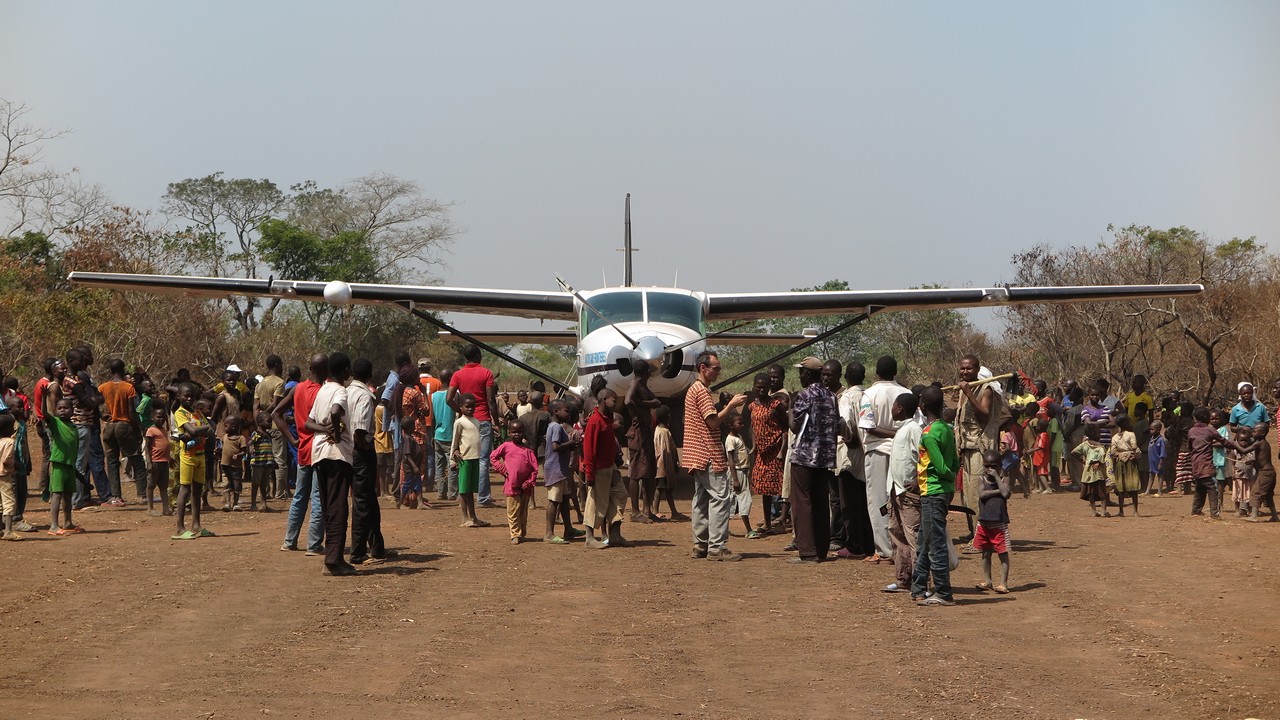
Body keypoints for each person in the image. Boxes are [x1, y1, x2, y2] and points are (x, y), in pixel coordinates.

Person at [683, 352, 747, 562]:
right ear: (703, 367)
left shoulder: (695, 390)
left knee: (701, 499)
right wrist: (731, 406)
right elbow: (712, 422)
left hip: (696, 453)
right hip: (707, 453)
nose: (718, 372)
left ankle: (700, 544)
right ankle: (717, 547)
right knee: (720, 498)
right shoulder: (701, 392)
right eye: (715, 368)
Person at [307, 352, 355, 576]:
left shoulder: (323, 390)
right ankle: (333, 560)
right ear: (345, 371)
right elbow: (336, 411)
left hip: (319, 453)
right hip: (336, 454)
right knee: (338, 507)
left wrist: (324, 429)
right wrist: (335, 431)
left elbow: (309, 422)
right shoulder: (340, 391)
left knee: (328, 506)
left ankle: (334, 557)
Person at [788, 356, 838, 565]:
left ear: (808, 374)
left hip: (804, 457)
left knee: (802, 503)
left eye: (801, 372)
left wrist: (789, 409)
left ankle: (807, 552)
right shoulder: (831, 396)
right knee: (820, 503)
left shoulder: (805, 395)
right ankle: (821, 549)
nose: (800, 376)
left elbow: (794, 426)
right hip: (825, 458)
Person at [274, 354, 326, 555]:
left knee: (300, 496)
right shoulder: (323, 391)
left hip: (302, 448)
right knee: (318, 497)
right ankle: (313, 544)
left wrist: (291, 439)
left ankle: (289, 541)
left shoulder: (297, 388)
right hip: (319, 448)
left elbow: (276, 413)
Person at [911, 386, 958, 606]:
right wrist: (951, 478)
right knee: (924, 539)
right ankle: (918, 588)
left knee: (935, 543)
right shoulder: (947, 429)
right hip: (943, 491)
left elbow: (940, 466)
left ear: (922, 406)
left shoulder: (929, 434)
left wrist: (946, 475)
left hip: (933, 490)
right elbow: (955, 461)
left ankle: (943, 592)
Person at [954, 355, 1003, 541]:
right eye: (962, 368)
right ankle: (973, 531)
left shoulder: (986, 388)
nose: (965, 371)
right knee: (966, 494)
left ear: (977, 369)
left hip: (979, 449)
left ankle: (980, 536)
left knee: (976, 492)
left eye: (969, 368)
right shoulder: (963, 389)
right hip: (965, 447)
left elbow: (984, 415)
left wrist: (969, 394)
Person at [447, 345, 500, 508]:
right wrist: (496, 422)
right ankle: (483, 498)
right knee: (483, 459)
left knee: (463, 457)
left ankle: (462, 493)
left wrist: (462, 412)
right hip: (483, 419)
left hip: (465, 422)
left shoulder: (457, 374)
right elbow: (491, 400)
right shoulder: (486, 373)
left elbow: (449, 399)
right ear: (478, 355)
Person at [883, 391, 921, 593]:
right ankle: (903, 578)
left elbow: (924, 455)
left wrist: (917, 480)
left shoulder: (914, 429)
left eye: (893, 405)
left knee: (913, 536)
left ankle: (920, 581)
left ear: (899, 408)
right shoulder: (902, 429)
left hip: (908, 493)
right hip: (895, 491)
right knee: (897, 535)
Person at [581, 388, 624, 549]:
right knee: (594, 501)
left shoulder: (608, 417)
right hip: (598, 468)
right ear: (604, 400)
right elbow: (589, 451)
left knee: (620, 495)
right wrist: (590, 474)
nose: (616, 403)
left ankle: (615, 534)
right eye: (614, 400)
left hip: (610, 466)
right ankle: (589, 537)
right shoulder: (595, 421)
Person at [99, 358, 143, 505]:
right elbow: (131, 411)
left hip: (110, 426)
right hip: (124, 425)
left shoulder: (103, 387)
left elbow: (95, 404)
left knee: (112, 462)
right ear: (123, 369)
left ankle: (116, 495)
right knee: (136, 459)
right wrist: (137, 429)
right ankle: (143, 494)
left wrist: (103, 416)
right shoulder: (128, 387)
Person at [171, 383, 213, 540]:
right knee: (185, 490)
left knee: (197, 490)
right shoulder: (180, 412)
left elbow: (210, 429)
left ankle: (196, 525)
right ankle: (179, 528)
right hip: (188, 455)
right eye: (185, 396)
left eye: (191, 396)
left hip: (200, 454)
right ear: (179, 397)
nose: (189, 399)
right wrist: (197, 431)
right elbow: (199, 429)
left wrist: (194, 433)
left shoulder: (196, 412)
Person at [746, 373, 786, 536]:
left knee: (781, 486)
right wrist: (754, 445)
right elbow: (752, 427)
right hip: (761, 454)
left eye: (764, 387)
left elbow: (785, 428)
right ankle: (768, 523)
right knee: (764, 488)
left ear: (769, 387)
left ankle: (783, 520)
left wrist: (782, 451)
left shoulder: (776, 405)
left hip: (776, 451)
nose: (761, 389)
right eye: (758, 386)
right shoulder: (752, 406)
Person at [624, 360, 661, 524]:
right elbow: (627, 401)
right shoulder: (635, 384)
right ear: (647, 373)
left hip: (646, 433)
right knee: (636, 473)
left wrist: (641, 404)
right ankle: (635, 512)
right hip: (638, 433)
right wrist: (641, 409)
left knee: (648, 472)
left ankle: (647, 510)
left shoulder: (643, 386)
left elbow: (657, 402)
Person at [491, 420, 538, 544]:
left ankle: (522, 532)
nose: (517, 435)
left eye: (519, 432)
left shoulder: (528, 449)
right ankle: (515, 534)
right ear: (509, 432)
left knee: (523, 511)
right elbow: (493, 456)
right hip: (512, 484)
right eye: (514, 432)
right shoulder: (506, 446)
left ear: (524, 433)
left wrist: (529, 482)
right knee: (513, 511)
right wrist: (501, 469)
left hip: (525, 486)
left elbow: (534, 469)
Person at [974, 449, 1012, 595]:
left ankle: (1003, 583)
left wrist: (997, 478)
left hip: (999, 522)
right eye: (986, 466)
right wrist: (998, 491)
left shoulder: (1004, 478)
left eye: (993, 466)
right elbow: (982, 494)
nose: (989, 469)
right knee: (985, 552)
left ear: (1000, 465)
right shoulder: (981, 479)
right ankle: (987, 580)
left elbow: (1006, 493)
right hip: (984, 522)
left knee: (1002, 553)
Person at [44, 396, 82, 536]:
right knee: (56, 494)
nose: (62, 411)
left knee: (68, 495)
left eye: (66, 408)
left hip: (70, 466)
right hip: (58, 464)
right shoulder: (55, 422)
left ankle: (68, 522)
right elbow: (44, 414)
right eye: (59, 408)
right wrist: (43, 397)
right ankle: (54, 525)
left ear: (72, 411)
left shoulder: (73, 427)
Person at [254, 354, 290, 501]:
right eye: (281, 365)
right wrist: (267, 416)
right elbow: (276, 404)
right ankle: (280, 492)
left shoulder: (259, 384)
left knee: (265, 459)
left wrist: (259, 422)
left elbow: (255, 406)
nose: (282, 368)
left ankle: (265, 492)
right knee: (279, 459)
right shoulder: (280, 383)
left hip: (263, 427)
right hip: (275, 425)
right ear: (276, 365)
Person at [543, 399, 579, 544]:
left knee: (564, 499)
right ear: (556, 411)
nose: (568, 413)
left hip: (560, 469)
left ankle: (568, 529)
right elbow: (555, 447)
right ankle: (549, 533)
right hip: (555, 469)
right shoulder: (556, 427)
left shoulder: (555, 426)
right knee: (554, 500)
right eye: (566, 411)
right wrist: (572, 443)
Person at [450, 393, 488, 529]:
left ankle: (473, 517)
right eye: (467, 406)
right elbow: (455, 442)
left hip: (475, 458)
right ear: (461, 407)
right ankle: (464, 518)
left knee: (471, 490)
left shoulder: (476, 421)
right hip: (464, 459)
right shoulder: (459, 422)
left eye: (473, 406)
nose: (470, 409)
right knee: (464, 490)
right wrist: (452, 459)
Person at [653, 405, 685, 521]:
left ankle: (674, 512)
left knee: (668, 489)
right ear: (667, 417)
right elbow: (666, 450)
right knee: (660, 488)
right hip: (664, 466)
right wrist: (673, 463)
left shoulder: (658, 430)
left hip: (663, 465)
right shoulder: (664, 432)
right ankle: (655, 511)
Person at [725, 414, 753, 538]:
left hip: (742, 472)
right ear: (731, 425)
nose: (742, 425)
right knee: (743, 499)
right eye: (739, 423)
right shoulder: (730, 440)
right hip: (736, 472)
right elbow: (730, 460)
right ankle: (749, 530)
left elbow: (745, 451)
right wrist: (735, 479)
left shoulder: (739, 437)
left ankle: (724, 528)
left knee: (736, 501)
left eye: (742, 423)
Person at [431, 369, 458, 502]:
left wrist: (432, 435)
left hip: (437, 435)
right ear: (451, 379)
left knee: (439, 465)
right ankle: (452, 493)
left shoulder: (434, 396)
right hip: (450, 435)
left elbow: (433, 418)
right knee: (452, 464)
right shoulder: (455, 394)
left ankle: (441, 492)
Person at [1073, 425, 1109, 517]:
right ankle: (1103, 511)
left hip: (1088, 473)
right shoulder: (1100, 446)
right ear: (1095, 434)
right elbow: (1102, 457)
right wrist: (1098, 462)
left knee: (1091, 492)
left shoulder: (1085, 444)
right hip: (1099, 473)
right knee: (1102, 493)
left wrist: (1083, 461)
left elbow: (1074, 452)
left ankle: (1094, 511)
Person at [1246, 422, 1277, 522]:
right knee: (1268, 496)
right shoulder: (1264, 443)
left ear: (1263, 433)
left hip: (1265, 473)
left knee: (1256, 493)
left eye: (1255, 431)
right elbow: (1263, 459)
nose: (1252, 433)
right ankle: (1275, 516)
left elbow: (1243, 450)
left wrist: (1232, 445)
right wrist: (1253, 461)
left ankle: (1254, 516)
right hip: (1269, 472)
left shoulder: (1259, 443)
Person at [144, 407, 172, 516]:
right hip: (155, 462)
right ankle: (150, 508)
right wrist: (149, 462)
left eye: (163, 417)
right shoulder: (151, 430)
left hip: (164, 462)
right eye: (158, 417)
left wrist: (170, 458)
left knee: (163, 487)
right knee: (151, 485)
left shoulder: (164, 430)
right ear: (152, 417)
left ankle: (165, 508)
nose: (161, 419)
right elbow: (147, 447)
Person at [247, 412, 275, 513]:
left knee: (264, 484)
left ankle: (263, 504)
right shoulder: (257, 434)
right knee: (255, 484)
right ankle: (253, 504)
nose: (270, 424)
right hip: (257, 462)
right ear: (260, 422)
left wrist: (273, 460)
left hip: (267, 462)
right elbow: (250, 442)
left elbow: (270, 448)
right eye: (268, 422)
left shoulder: (268, 435)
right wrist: (251, 447)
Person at [219, 416, 247, 511]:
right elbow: (222, 447)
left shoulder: (241, 438)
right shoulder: (225, 437)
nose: (224, 428)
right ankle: (227, 503)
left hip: (236, 467)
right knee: (227, 484)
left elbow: (244, 451)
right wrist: (218, 451)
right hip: (225, 466)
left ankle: (235, 503)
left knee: (236, 484)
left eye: (226, 426)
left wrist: (239, 455)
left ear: (233, 427)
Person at [0, 414, 18, 541]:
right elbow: (7, 459)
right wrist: (14, 465)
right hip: (4, 475)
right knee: (9, 502)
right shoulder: (9, 442)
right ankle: (8, 531)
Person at [1146, 421, 1166, 497]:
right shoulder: (1152, 439)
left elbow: (1163, 452)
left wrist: (1161, 462)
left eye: (1153, 429)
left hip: (1158, 461)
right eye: (1150, 429)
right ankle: (1147, 491)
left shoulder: (1161, 440)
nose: (1151, 431)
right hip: (1152, 461)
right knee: (1151, 475)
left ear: (1158, 429)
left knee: (1160, 476)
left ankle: (1159, 491)